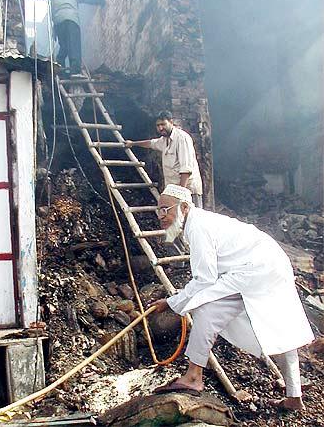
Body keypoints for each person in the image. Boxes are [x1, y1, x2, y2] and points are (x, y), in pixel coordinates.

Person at [151, 184, 314, 411]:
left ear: (185, 207)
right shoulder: (200, 222)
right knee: (282, 331)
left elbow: (204, 280)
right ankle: (294, 397)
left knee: (205, 308)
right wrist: (175, 301)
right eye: (158, 211)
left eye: (165, 210)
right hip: (271, 265)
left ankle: (193, 377)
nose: (161, 217)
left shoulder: (197, 227)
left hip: (256, 268)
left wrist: (171, 303)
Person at [125, 111, 203, 207]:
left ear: (171, 122)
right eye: (158, 125)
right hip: (174, 192)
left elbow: (186, 169)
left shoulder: (182, 138)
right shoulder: (164, 140)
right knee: (178, 221)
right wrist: (132, 143)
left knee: (192, 219)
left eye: (163, 124)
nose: (160, 128)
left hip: (188, 191)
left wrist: (182, 193)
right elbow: (151, 143)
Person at [51, 0, 104, 77]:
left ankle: (59, 67)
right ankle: (75, 71)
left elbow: (52, 13)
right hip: (72, 21)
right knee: (74, 45)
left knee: (64, 46)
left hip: (58, 23)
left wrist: (54, 31)